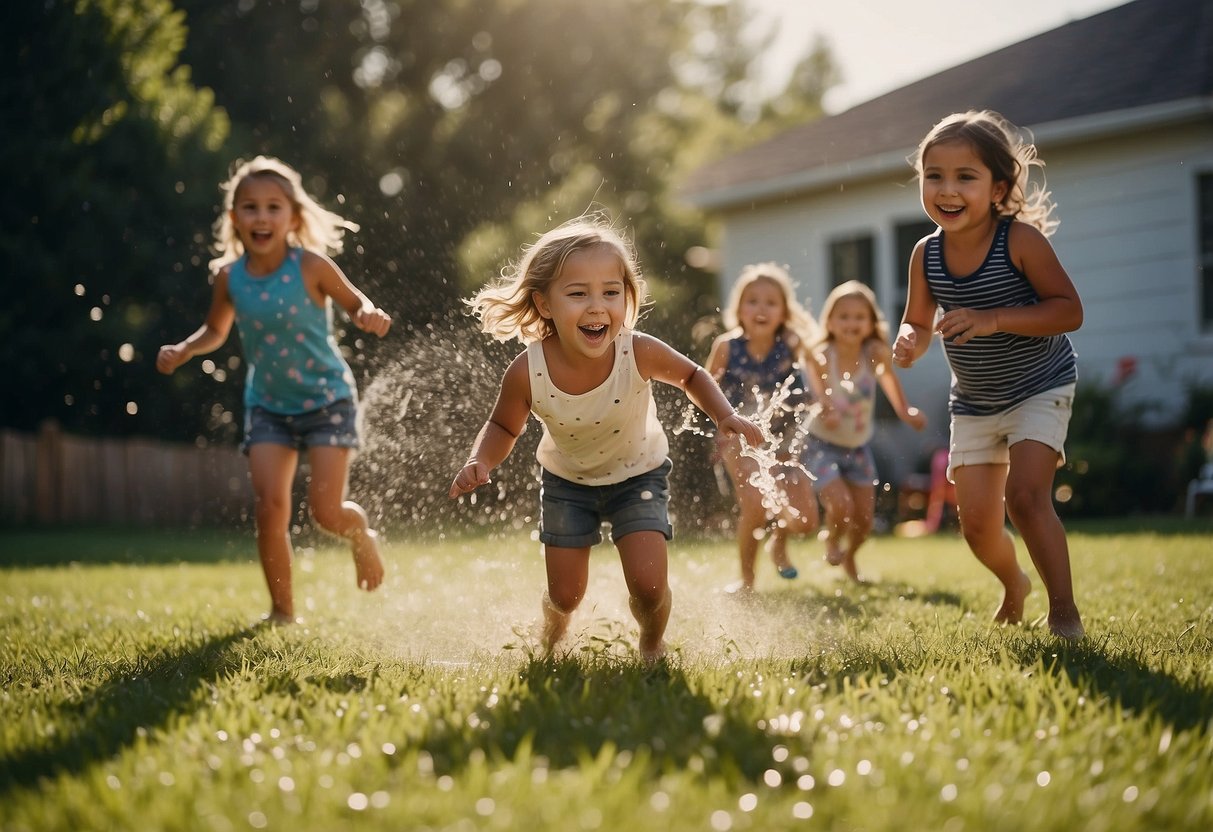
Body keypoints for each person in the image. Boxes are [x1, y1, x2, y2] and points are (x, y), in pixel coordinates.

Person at [448, 214, 764, 662]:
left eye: (611, 293)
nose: (597, 306)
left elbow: (692, 375)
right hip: (566, 485)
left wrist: (725, 414)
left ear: (626, 298)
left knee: (650, 586)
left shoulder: (637, 350)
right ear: (544, 304)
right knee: (565, 594)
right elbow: (502, 426)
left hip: (639, 477)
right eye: (578, 294)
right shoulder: (528, 370)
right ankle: (552, 636)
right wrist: (482, 460)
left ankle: (652, 642)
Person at [157, 156, 391, 625]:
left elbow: (355, 302)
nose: (261, 217)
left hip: (327, 400)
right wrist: (185, 348)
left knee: (326, 513)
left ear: (294, 217)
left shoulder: (311, 265)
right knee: (270, 508)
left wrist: (367, 314)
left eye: (272, 207)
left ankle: (361, 535)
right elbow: (215, 330)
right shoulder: (230, 277)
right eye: (249, 208)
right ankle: (282, 612)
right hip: (267, 406)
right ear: (234, 219)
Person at [892, 110, 1085, 639]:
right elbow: (918, 321)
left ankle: (1063, 613)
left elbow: (1069, 310)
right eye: (935, 176)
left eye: (965, 177)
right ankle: (1013, 584)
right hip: (975, 400)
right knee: (977, 523)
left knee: (1025, 497)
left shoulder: (1018, 241)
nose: (947, 190)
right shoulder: (925, 255)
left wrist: (994, 319)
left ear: (998, 187)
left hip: (1040, 385)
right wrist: (910, 340)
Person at [706, 263, 820, 593]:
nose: (761, 308)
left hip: (784, 438)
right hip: (738, 440)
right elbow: (704, 388)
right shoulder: (726, 346)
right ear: (739, 309)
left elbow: (817, 375)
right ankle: (746, 580)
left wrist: (819, 398)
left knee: (805, 522)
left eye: (771, 302)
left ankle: (779, 542)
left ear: (784, 311)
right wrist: (719, 424)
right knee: (755, 508)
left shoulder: (791, 344)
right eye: (752, 301)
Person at [804, 280, 926, 581]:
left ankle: (851, 557)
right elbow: (815, 390)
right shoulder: (823, 355)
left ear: (871, 322)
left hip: (857, 446)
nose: (851, 323)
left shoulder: (874, 354)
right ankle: (831, 539)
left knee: (864, 521)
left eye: (860, 317)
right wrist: (825, 407)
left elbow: (889, 382)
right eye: (843, 316)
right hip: (821, 443)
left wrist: (905, 410)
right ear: (830, 321)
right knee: (841, 505)